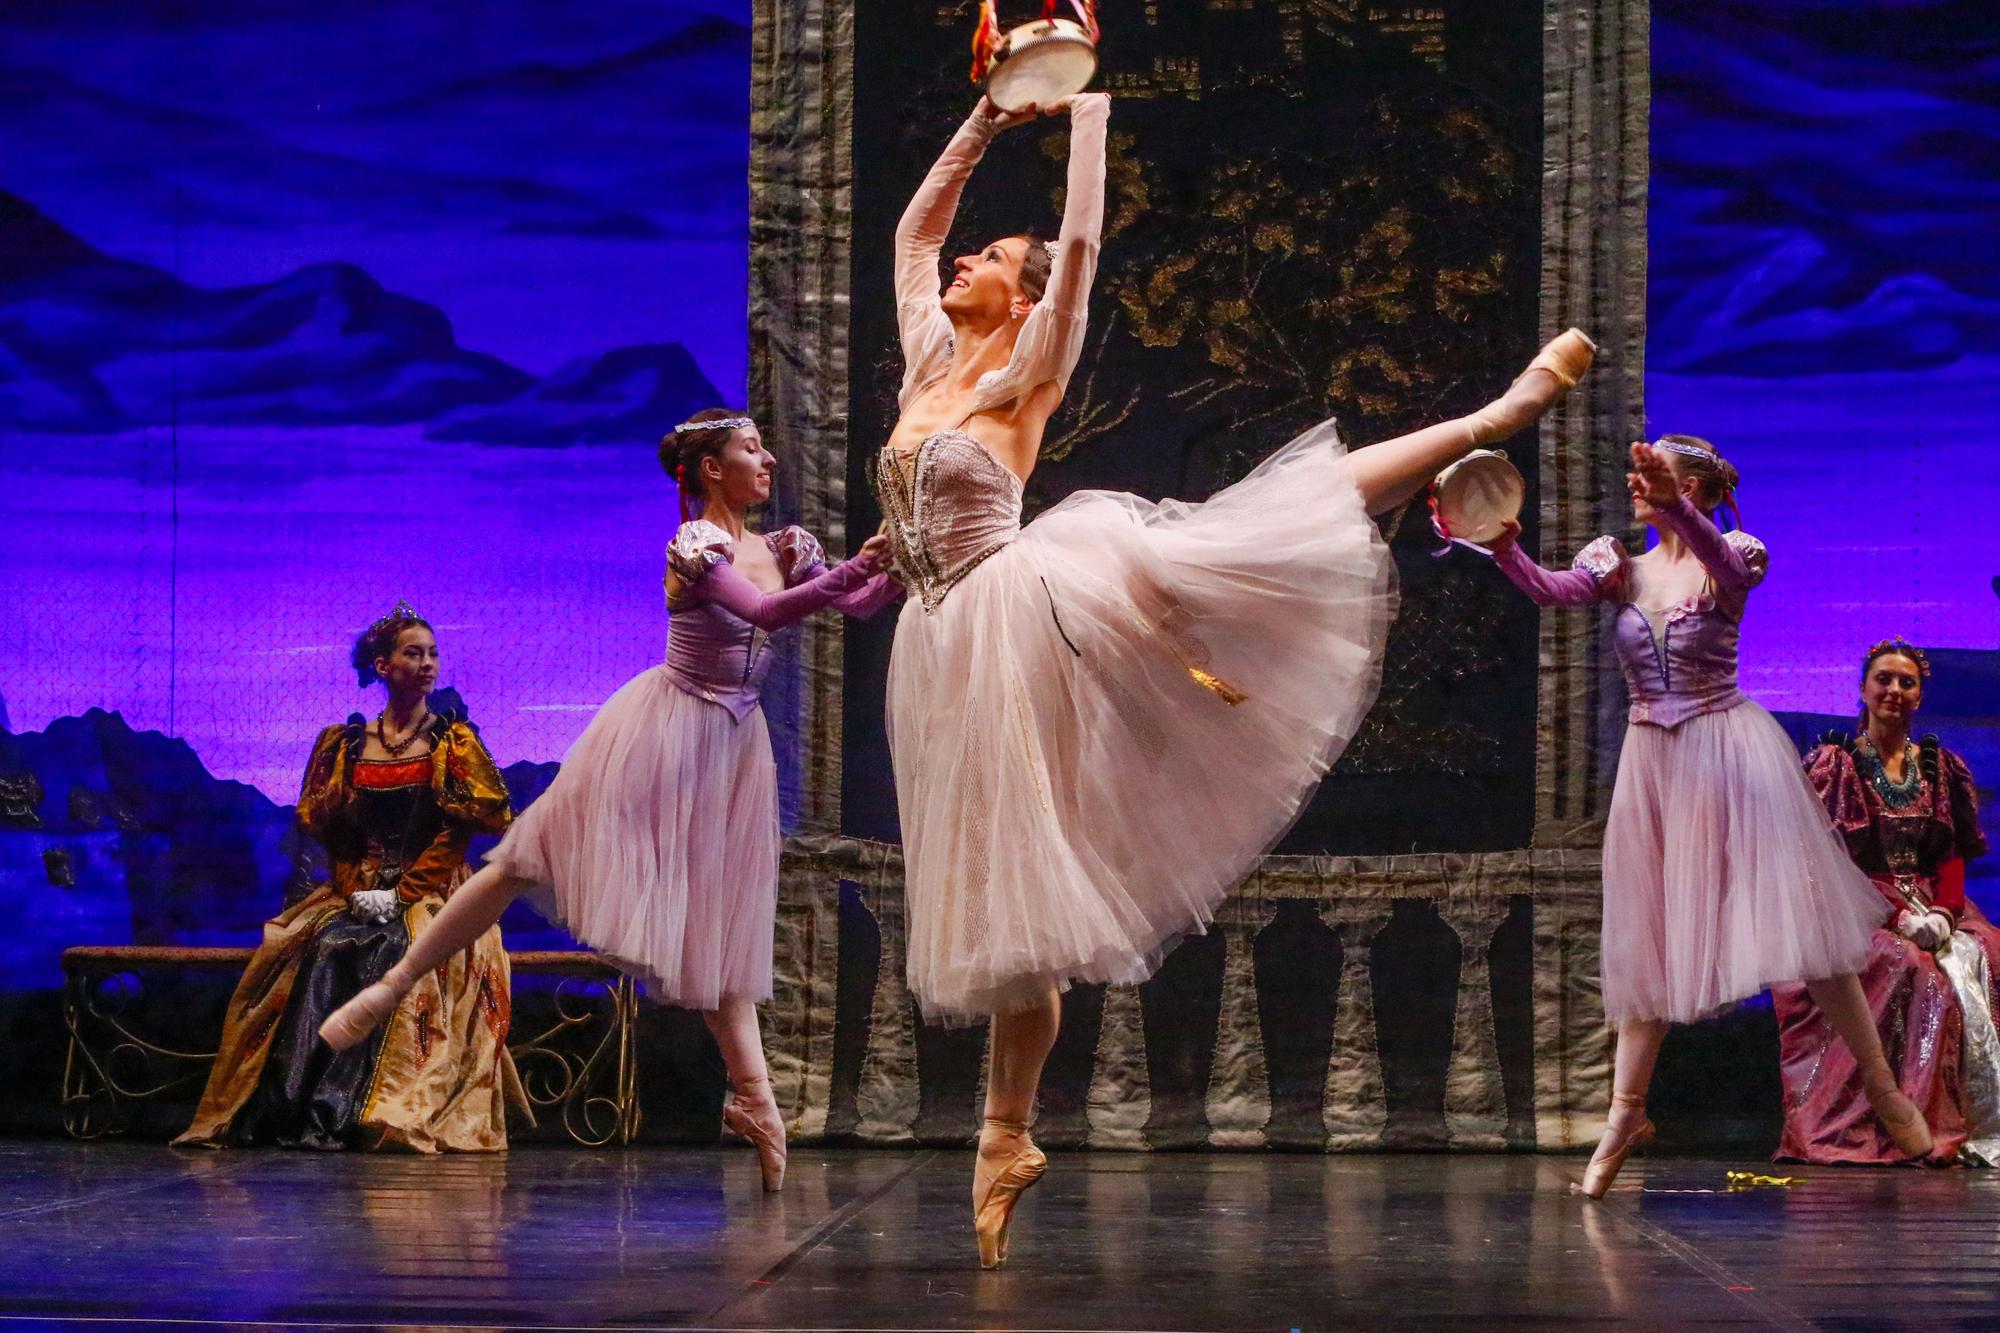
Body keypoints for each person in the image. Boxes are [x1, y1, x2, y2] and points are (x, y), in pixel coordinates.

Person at [879, 90, 1595, 1265]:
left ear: (1024, 294)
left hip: (1020, 606)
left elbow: (1086, 243)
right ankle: (1006, 1137)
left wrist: (1088, 114)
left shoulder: (1031, 369)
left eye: (994, 257)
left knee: (1255, 531)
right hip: (934, 637)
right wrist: (985, 116)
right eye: (980, 250)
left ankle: (1494, 410)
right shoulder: (928, 366)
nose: (965, 258)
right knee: (1003, 901)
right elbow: (912, 232)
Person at [319, 411, 899, 1192]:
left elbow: (853, 607)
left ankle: (755, 1097)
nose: (767, 458)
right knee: (525, 858)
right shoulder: (695, 545)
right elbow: (763, 612)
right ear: (709, 470)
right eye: (750, 449)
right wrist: (847, 573)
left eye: (765, 445)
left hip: (732, 748)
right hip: (664, 729)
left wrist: (892, 566)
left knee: (721, 920)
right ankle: (392, 985)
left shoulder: (787, 546)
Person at [1482, 436, 1934, 1196]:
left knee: (1805, 924)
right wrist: (1501, 547)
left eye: (1653, 471)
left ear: (1688, 482)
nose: (1635, 481)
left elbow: (1725, 571)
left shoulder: (1736, 549)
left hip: (1728, 751)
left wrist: (1678, 508)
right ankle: (1625, 1112)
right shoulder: (1619, 565)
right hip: (1654, 761)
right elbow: (1551, 591)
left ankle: (1885, 1090)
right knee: (1649, 934)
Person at [178, 606, 522, 1151]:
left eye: (432, 653)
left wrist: (402, 893)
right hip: (359, 886)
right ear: (382, 666)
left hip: (434, 889)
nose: (427, 663)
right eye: (414, 653)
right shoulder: (346, 745)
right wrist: (351, 884)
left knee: (404, 950)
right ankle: (297, 1110)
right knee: (319, 945)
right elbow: (332, 828)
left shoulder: (451, 744)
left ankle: (367, 1109)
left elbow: (460, 832)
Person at [1774, 640, 1998, 1164]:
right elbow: (1832, 861)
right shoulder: (1836, 765)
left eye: (1906, 682)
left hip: (1931, 903)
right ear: (1863, 688)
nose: (1894, 691)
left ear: (1920, 696)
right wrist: (1896, 915)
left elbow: (1951, 855)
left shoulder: (1941, 767)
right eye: (1884, 680)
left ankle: (1969, 1117)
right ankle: (1899, 1118)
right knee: (1908, 965)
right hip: (1853, 905)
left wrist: (1943, 911)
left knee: (1983, 955)